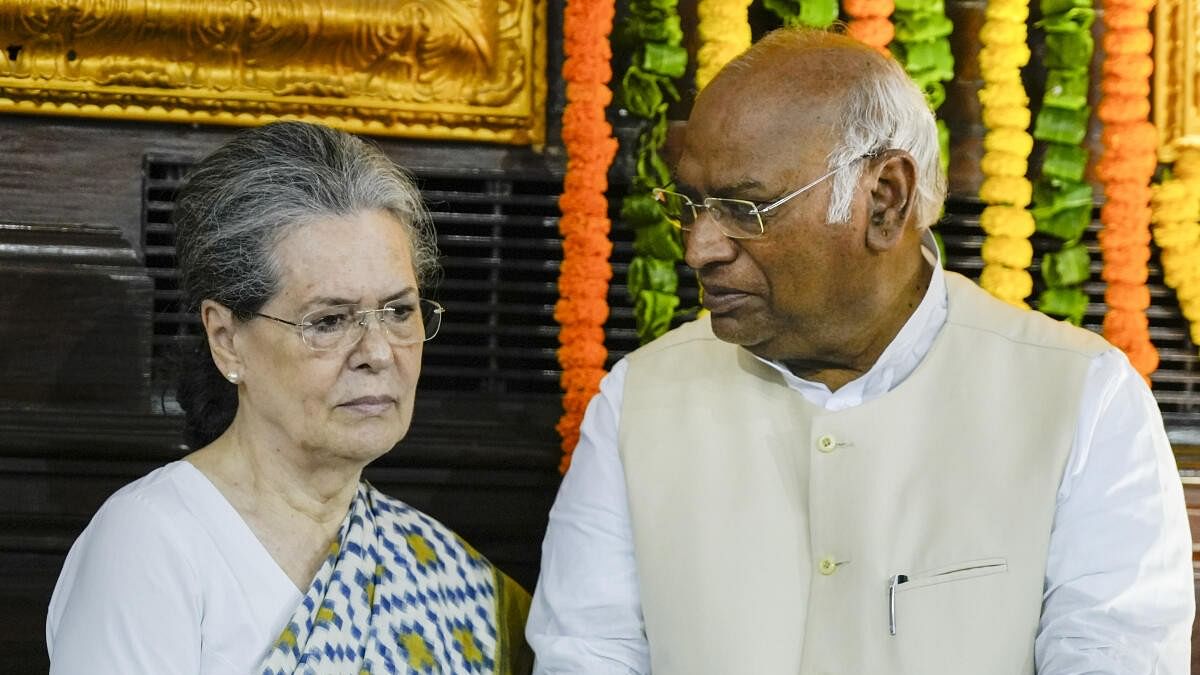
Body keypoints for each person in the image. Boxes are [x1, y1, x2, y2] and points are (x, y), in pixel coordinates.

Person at [527, 27, 1194, 675]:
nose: (701, 247)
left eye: (746, 209)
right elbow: (585, 654)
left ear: (884, 200)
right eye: (690, 204)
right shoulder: (639, 402)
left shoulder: (1083, 400)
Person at [47, 121, 532, 674]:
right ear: (227, 340)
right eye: (329, 320)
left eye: (399, 311)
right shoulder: (152, 543)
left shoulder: (444, 575)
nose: (378, 351)